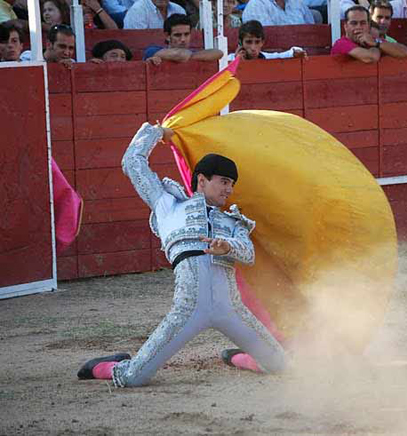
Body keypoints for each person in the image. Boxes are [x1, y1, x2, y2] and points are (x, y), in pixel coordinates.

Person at [77, 122, 286, 386]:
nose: (229, 189)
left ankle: (240, 357)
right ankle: (104, 366)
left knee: (282, 366)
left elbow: (249, 254)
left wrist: (228, 247)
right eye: (223, 181)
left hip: (231, 308)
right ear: (202, 179)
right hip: (189, 307)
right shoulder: (168, 204)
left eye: (231, 183)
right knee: (132, 378)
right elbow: (132, 162)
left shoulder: (234, 221)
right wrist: (155, 133)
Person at [331, 5, 407, 62]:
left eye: (363, 23)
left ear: (368, 25)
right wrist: (376, 46)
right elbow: (371, 57)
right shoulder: (341, 43)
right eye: (354, 23)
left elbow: (406, 52)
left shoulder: (374, 40)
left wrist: (376, 44)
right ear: (346, 26)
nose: (358, 27)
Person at [143, 14, 223, 64]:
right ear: (167, 36)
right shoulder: (153, 51)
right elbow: (179, 54)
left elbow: (218, 53)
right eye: (177, 35)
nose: (183, 39)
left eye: (186, 34)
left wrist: (190, 56)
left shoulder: (191, 53)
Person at [228, 20, 307, 61]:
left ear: (262, 42)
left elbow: (289, 53)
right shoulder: (228, 60)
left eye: (257, 42)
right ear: (240, 43)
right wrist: (236, 62)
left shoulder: (267, 57)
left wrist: (296, 52)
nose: (253, 47)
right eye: (248, 42)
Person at [241, 0, 315, 26]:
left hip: (304, 56)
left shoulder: (297, 3)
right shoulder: (256, 5)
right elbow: (266, 42)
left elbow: (312, 33)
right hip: (272, 58)